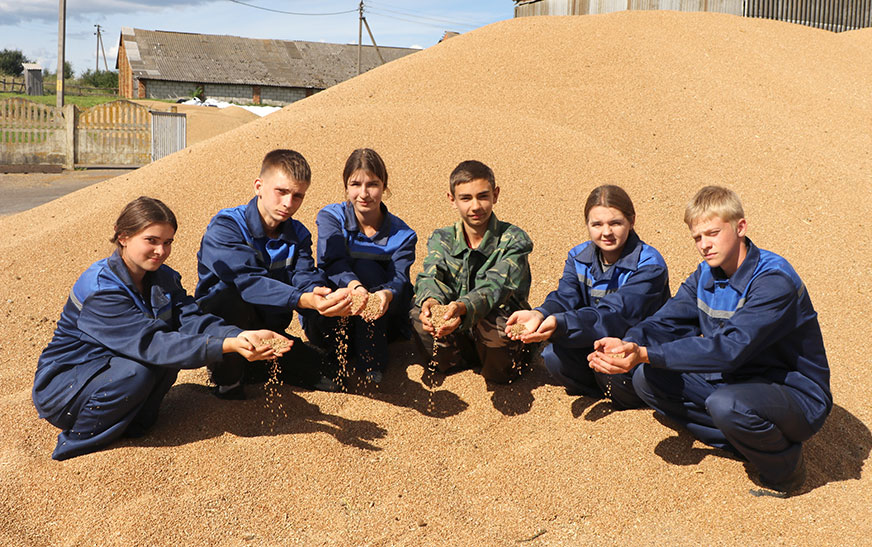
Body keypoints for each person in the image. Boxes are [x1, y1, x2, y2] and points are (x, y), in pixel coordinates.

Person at [588, 186, 831, 496]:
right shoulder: (705, 275)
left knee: (725, 405)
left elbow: (729, 349)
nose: (705, 245)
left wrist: (646, 352)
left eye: (713, 233)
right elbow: (665, 320)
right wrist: (627, 344)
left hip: (795, 394)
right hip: (737, 380)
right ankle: (746, 443)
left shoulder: (773, 281)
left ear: (740, 227)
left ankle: (785, 466)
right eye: (697, 237)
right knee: (648, 379)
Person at [32, 197, 289, 461]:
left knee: (164, 362)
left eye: (167, 242)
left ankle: (132, 427)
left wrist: (239, 335)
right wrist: (225, 346)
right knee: (140, 370)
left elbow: (191, 319)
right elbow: (153, 344)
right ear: (123, 237)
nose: (161, 251)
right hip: (66, 385)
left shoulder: (162, 277)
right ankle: (78, 441)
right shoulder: (101, 290)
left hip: (110, 367)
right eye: (151, 240)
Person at [195, 149, 353, 399]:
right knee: (229, 296)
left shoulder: (298, 233)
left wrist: (318, 293)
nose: (288, 203)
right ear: (259, 186)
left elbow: (304, 275)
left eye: (298, 195)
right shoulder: (226, 227)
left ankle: (258, 366)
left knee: (334, 377)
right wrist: (302, 299)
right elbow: (249, 282)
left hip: (270, 332)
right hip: (228, 330)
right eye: (281, 191)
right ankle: (227, 379)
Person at [506, 185, 670, 409]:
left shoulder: (650, 265)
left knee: (611, 370)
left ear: (632, 221)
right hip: (594, 337)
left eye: (615, 223)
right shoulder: (578, 256)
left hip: (635, 344)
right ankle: (599, 389)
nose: (606, 232)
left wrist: (561, 323)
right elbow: (565, 297)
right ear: (587, 225)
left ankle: (631, 397)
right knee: (554, 357)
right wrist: (540, 313)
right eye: (597, 224)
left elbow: (616, 313)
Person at [411, 160, 533, 384]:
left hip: (498, 325)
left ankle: (503, 370)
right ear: (452, 199)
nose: (475, 206)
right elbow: (431, 275)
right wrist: (432, 301)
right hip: (457, 327)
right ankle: (456, 363)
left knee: (492, 324)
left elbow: (494, 288)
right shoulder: (442, 238)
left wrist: (461, 308)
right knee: (418, 313)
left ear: (495, 195)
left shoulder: (514, 240)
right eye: (466, 198)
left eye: (483, 196)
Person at [315, 148, 417, 384]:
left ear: (384, 187)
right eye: (355, 184)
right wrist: (356, 288)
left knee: (369, 269)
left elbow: (400, 278)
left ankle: (372, 363)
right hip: (335, 314)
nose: (364, 193)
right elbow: (332, 262)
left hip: (383, 321)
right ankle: (335, 355)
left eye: (372, 184)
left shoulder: (403, 234)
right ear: (346, 187)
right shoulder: (331, 217)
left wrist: (384, 295)